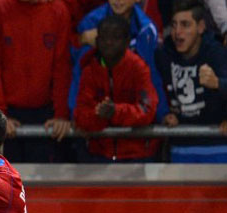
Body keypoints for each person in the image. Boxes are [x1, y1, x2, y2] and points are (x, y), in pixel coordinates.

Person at [0, 0, 72, 162]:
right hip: (7, 114)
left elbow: (62, 67)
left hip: (45, 115)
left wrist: (61, 114)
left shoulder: (58, 11)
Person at [75, 15, 160, 162]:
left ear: (127, 42)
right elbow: (81, 114)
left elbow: (147, 110)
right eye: (104, 37)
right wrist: (99, 115)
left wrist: (115, 112)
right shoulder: (89, 70)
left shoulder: (138, 67)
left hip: (136, 155)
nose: (109, 42)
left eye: (115, 37)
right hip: (98, 154)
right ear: (96, 41)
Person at [69, 0, 167, 122]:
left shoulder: (146, 29)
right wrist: (74, 114)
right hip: (98, 113)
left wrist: (162, 114)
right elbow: (79, 71)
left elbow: (152, 74)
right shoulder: (91, 23)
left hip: (131, 113)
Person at [156, 0, 227, 162]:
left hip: (218, 145)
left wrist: (218, 83)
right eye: (174, 25)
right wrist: (164, 114)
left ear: (201, 27)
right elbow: (153, 87)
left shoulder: (217, 53)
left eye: (185, 25)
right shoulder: (163, 54)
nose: (177, 32)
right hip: (180, 146)